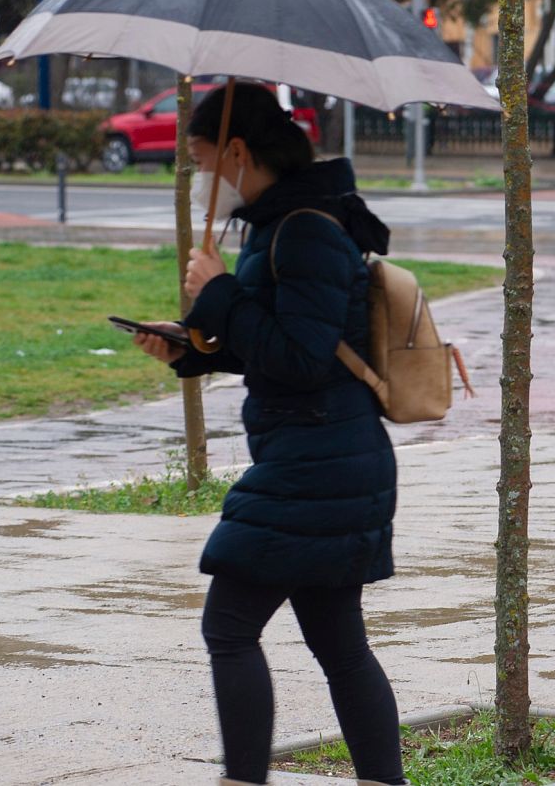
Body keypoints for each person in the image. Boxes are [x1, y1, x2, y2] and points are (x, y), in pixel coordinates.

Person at [130, 84, 405, 785]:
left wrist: (220, 293)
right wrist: (194, 348)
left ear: (237, 151)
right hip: (328, 459)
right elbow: (276, 346)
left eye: (198, 161)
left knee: (229, 626)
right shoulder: (276, 224)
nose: (195, 179)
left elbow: (303, 360)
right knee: (339, 645)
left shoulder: (306, 229)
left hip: (319, 464)